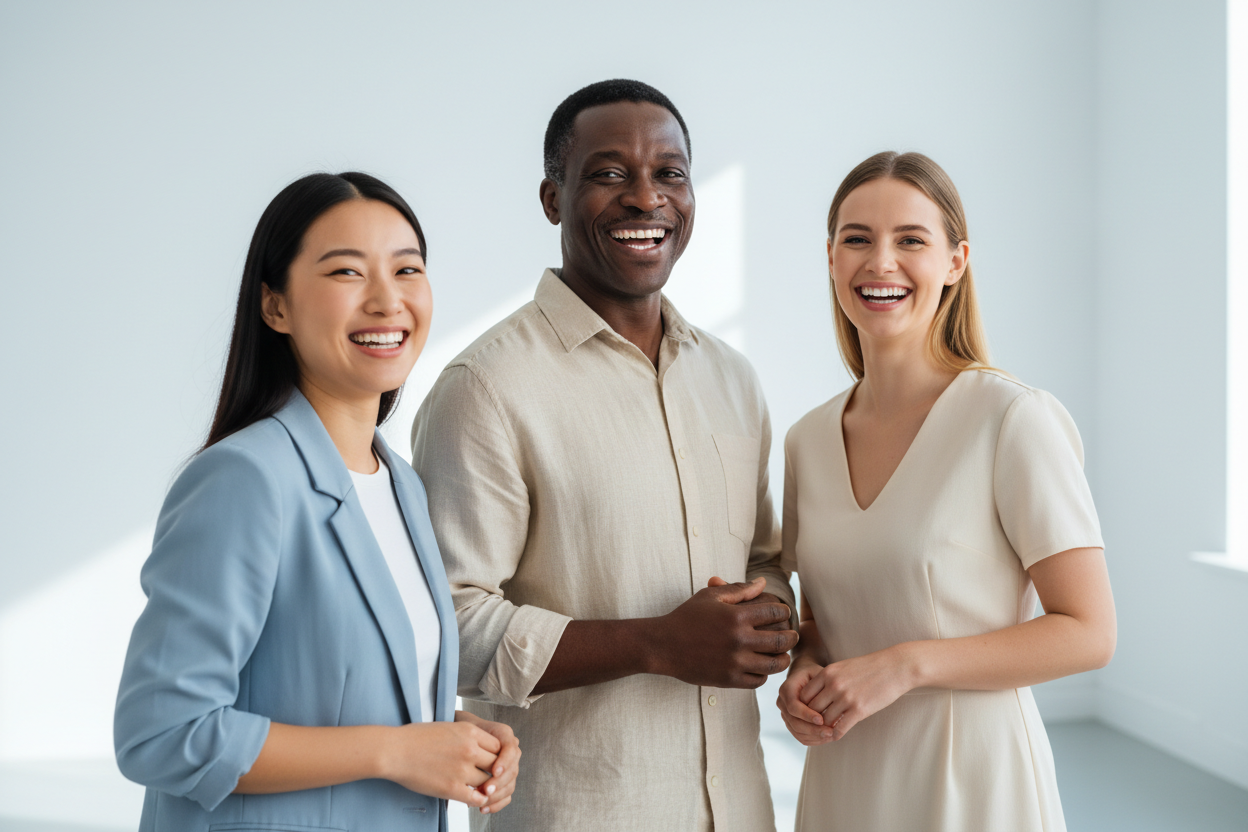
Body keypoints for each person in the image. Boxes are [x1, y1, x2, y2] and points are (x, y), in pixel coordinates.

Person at [410, 79, 798, 832]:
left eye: (669, 173)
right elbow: (445, 629)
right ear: (552, 198)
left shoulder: (732, 379)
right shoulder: (486, 387)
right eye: (609, 173)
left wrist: (771, 615)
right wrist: (655, 644)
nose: (646, 198)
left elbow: (762, 559)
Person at [114, 172, 520, 831]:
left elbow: (341, 694)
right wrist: (395, 751)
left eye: (407, 269)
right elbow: (162, 732)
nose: (387, 300)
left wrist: (450, 736)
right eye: (347, 273)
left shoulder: (401, 484)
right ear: (275, 306)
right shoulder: (244, 480)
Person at [776, 151, 1117, 832]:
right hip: (845, 772)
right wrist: (803, 673)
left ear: (956, 262)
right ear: (832, 258)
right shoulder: (807, 440)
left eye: (911, 240)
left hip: (971, 779)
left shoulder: (1012, 418)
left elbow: (1089, 633)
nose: (881, 262)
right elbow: (822, 618)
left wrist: (906, 666)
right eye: (857, 239)